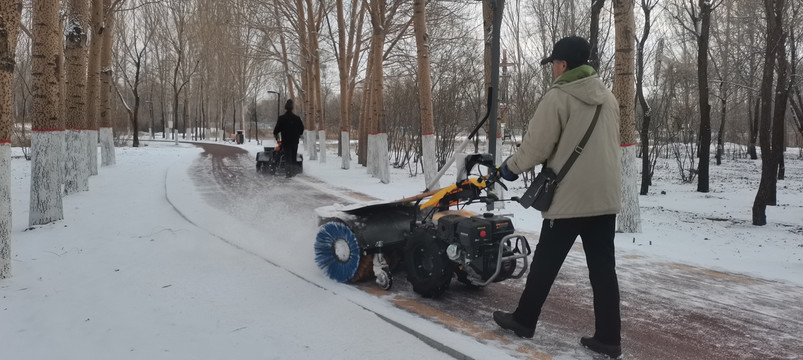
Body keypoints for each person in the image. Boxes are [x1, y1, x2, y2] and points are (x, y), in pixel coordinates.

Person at [493, 36, 623, 359]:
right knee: (604, 270)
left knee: (546, 262)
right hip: (605, 198)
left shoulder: (558, 97)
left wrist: (508, 169)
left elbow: (536, 147)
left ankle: (523, 320)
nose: (552, 69)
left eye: (554, 63)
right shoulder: (609, 99)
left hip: (569, 198)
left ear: (563, 65)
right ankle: (609, 338)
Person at [273, 99, 305, 177]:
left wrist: (276, 135)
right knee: (293, 156)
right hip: (294, 141)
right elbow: (302, 128)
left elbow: (276, 129)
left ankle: (288, 173)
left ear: (285, 107)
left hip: (286, 141)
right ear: (292, 108)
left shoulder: (281, 118)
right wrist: (298, 134)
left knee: (288, 157)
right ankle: (293, 172)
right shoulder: (297, 118)